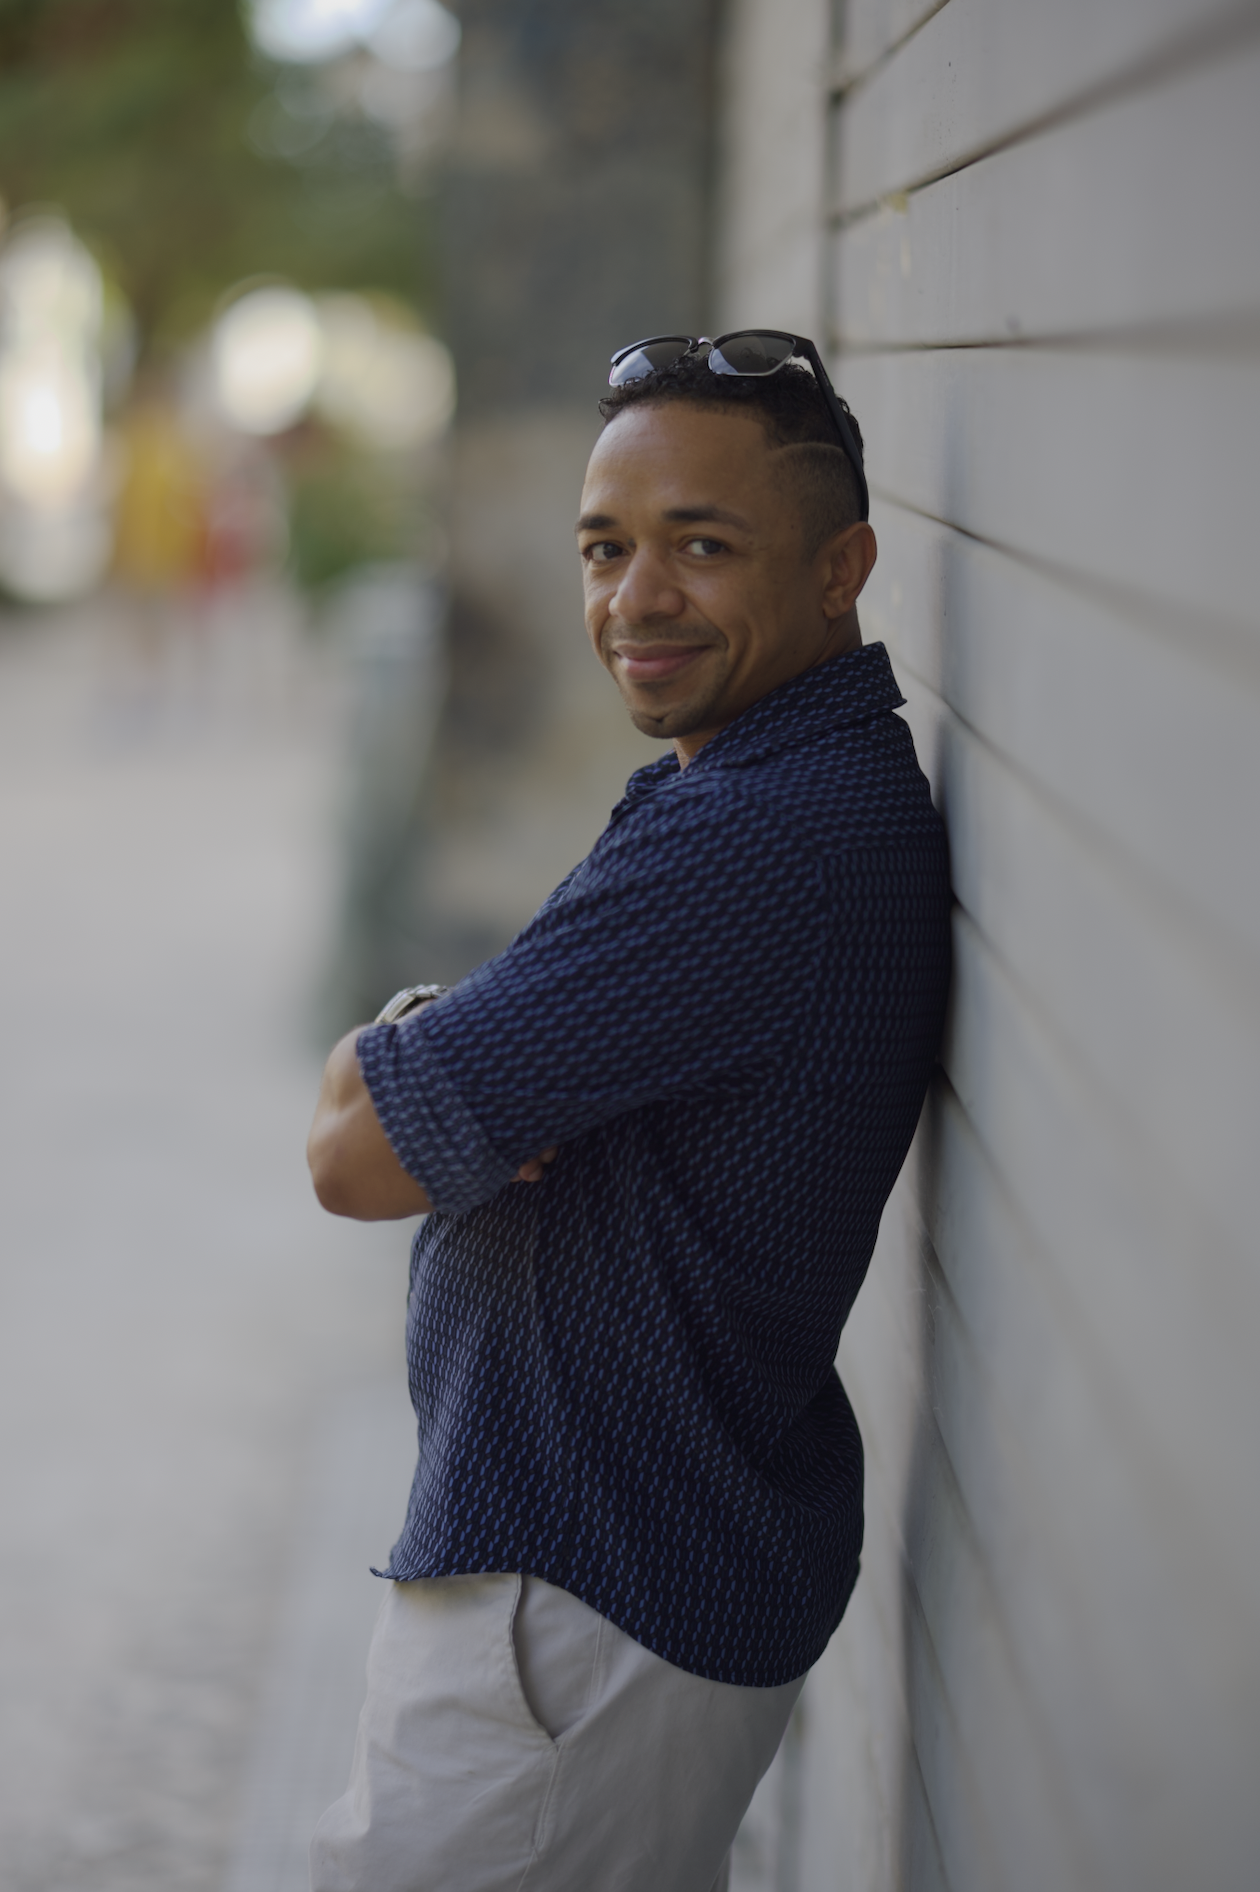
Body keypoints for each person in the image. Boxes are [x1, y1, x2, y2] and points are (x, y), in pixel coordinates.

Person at [306, 332, 951, 1892]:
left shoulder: (754, 841)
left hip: (580, 1607)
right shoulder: (765, 781)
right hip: (608, 1578)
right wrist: (430, 1036)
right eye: (607, 548)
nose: (635, 602)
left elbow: (353, 1156)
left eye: (702, 547)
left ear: (839, 567)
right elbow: (412, 1095)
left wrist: (402, 1051)